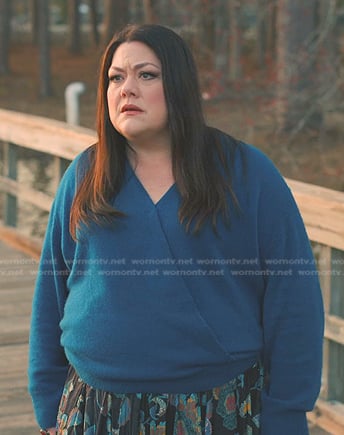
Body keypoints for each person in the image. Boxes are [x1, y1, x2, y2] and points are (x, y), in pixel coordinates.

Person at [28, 23, 324, 435]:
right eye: (116, 77)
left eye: (146, 74)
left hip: (217, 409)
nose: (126, 89)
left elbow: (294, 304)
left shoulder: (245, 173)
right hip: (93, 411)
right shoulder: (85, 176)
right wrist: (47, 404)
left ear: (180, 84)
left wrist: (287, 415)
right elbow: (50, 298)